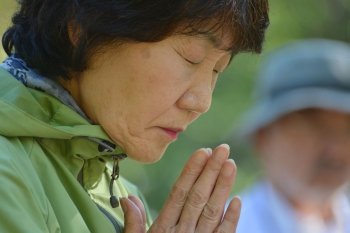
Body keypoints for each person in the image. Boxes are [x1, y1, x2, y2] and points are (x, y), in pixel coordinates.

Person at [0, 0, 269, 232]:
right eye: (191, 58)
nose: (202, 102)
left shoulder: (123, 195)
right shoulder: (7, 173)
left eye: (217, 70)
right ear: (83, 29)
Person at [233, 39, 350, 233]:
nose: (337, 150)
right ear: (263, 137)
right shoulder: (225, 228)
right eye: (316, 128)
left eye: (348, 130)